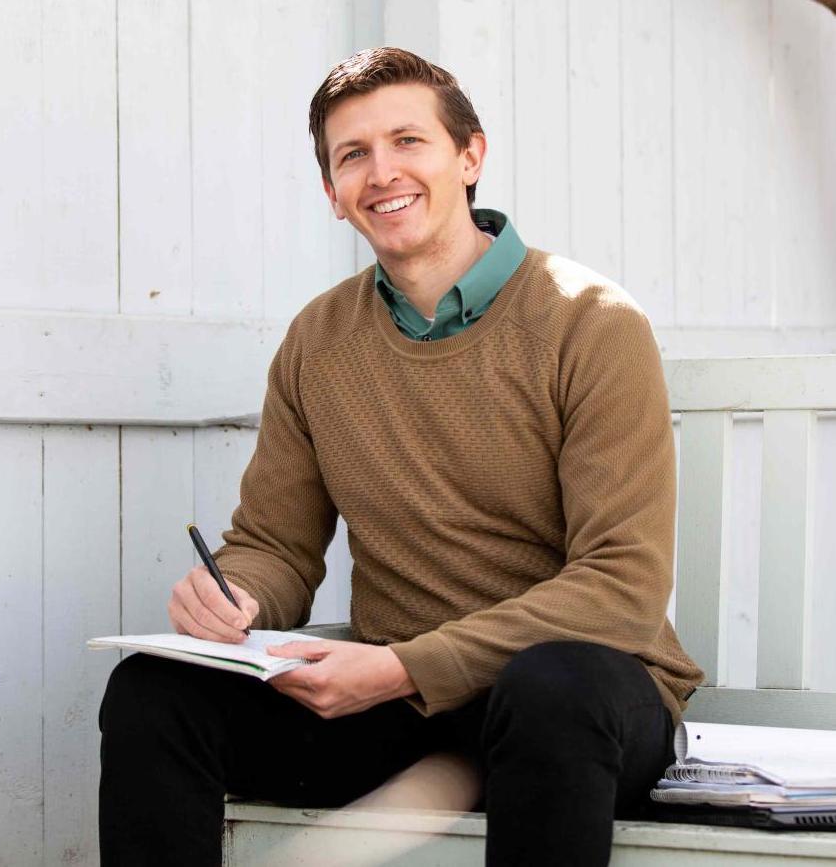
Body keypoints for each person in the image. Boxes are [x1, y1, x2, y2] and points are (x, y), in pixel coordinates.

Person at [98, 46, 705, 867]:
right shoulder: (319, 339)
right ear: (333, 194)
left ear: (469, 155)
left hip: (582, 701)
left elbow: (621, 587)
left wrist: (404, 668)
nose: (381, 172)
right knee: (155, 693)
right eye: (353, 155)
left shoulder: (591, 324)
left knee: (550, 690)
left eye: (407, 141)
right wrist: (234, 595)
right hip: (397, 700)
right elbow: (277, 545)